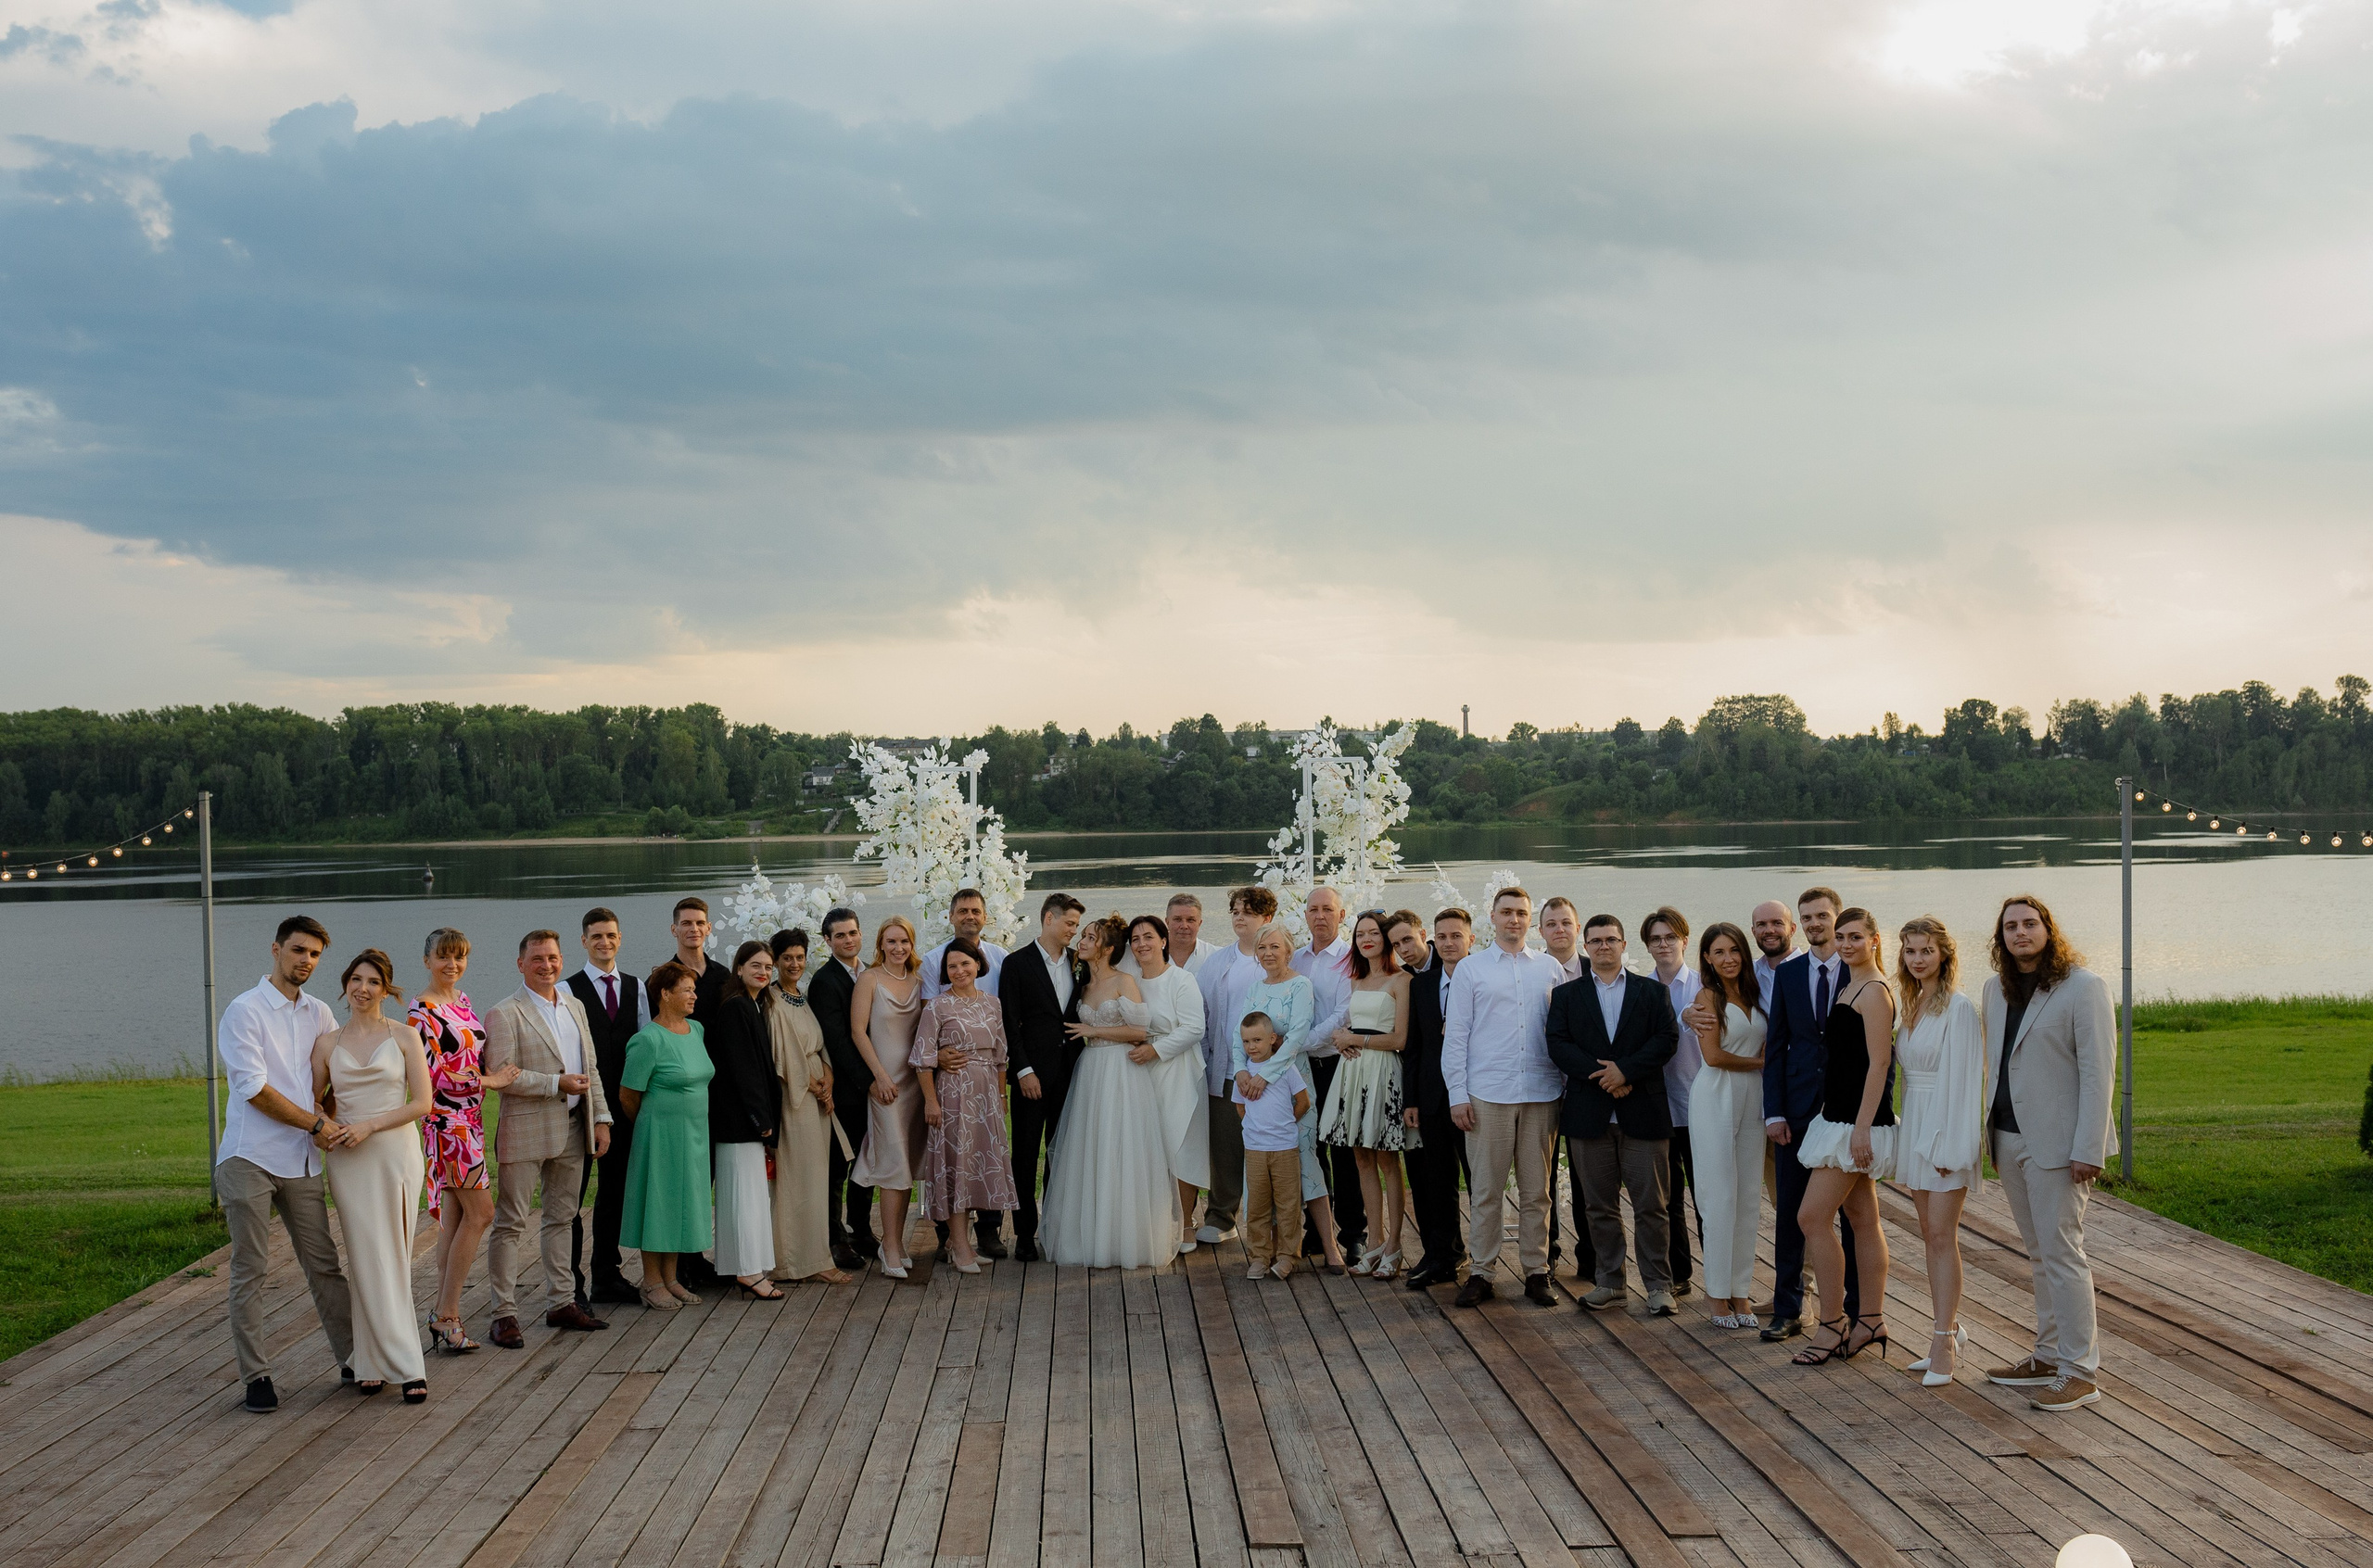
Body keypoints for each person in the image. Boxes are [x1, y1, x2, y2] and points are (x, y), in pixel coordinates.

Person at [1981, 894, 2116, 1412]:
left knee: (2063, 1254)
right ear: (2001, 937)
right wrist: (1990, 1139)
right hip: (2008, 1138)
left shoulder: (2083, 987)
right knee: (2038, 1253)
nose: (2020, 932)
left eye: (2029, 923)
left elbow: (2098, 1073)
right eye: (2010, 926)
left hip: (2060, 1146)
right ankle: (2047, 1355)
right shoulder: (1995, 990)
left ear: (2048, 929)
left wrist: (2090, 1148)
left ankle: (2080, 1372)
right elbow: (1997, 1065)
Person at [218, 916, 356, 1414]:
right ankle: (256, 1376)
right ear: (276, 950)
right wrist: (316, 1124)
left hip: (300, 1159)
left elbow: (336, 1077)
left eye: (315, 954)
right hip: (248, 1156)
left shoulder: (320, 1013)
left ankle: (354, 1359)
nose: (307, 961)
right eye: (299, 950)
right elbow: (254, 1090)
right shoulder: (244, 1010)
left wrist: (328, 1117)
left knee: (324, 1264)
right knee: (251, 1268)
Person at [483, 929, 615, 1348]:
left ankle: (561, 1302)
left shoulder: (575, 1005)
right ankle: (503, 1314)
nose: (547, 965)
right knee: (510, 1222)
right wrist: (556, 1083)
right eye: (537, 959)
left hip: (574, 1128)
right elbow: (503, 1076)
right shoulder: (504, 1013)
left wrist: (601, 1118)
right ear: (521, 964)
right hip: (524, 1130)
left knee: (562, 1218)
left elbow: (590, 1068)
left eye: (553, 957)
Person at [1546, 915, 1681, 1315]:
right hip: (1589, 1115)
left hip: (1643, 1113)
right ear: (1586, 946)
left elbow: (1666, 1039)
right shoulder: (1566, 995)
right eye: (1596, 941)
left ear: (1623, 945)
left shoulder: (1652, 992)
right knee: (1598, 1206)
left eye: (1611, 939)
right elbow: (1558, 1044)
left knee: (1652, 1206)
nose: (1603, 946)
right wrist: (1606, 1077)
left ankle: (1659, 1286)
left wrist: (1626, 1072)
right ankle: (1610, 1282)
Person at [311, 947, 427, 1400]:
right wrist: (325, 1126)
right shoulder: (327, 1044)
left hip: (395, 1153)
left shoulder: (405, 1036)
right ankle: (371, 1361)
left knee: (393, 1255)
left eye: (373, 982)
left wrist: (370, 1126)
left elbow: (422, 1103)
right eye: (356, 980)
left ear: (386, 989)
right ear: (345, 985)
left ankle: (406, 1364)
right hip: (348, 1160)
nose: (363, 988)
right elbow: (313, 1101)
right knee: (363, 1257)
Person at [1445, 888, 1565, 1309]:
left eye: (1521, 913)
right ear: (1492, 917)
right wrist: (1457, 1094)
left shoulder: (1550, 968)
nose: (1514, 919)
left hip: (1541, 1093)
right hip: (1487, 1095)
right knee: (1486, 1191)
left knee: (1537, 1192)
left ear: (1530, 921)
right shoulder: (1471, 969)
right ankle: (1482, 1272)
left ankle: (1536, 1271)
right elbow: (1456, 1036)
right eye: (1506, 912)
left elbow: (1562, 1031)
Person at [1790, 906, 1897, 1367]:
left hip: (1856, 1124)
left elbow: (1880, 1064)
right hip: (1837, 1118)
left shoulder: (1874, 992)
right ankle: (1870, 1320)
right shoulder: (1850, 985)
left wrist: (1862, 1129)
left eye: (1856, 936)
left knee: (1812, 1218)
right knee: (1863, 1220)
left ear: (1875, 939)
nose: (1847, 944)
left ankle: (1833, 1323)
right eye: (1841, 937)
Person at [1042, 915, 1179, 1267]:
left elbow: (1139, 1032)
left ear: (1106, 948)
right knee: (1092, 1145)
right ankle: (1090, 1236)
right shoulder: (1084, 985)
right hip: (1090, 1071)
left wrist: (1094, 1030)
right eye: (1084, 935)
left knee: (1121, 1146)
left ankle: (1125, 1238)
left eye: (1091, 937)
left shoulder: (1124, 981)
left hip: (1121, 1071)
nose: (1082, 941)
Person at [1754, 887, 1859, 1343]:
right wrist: (1773, 1111)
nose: (1816, 923)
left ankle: (1857, 1312)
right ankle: (1789, 1309)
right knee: (1792, 1215)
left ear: (1837, 919)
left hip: (1846, 1111)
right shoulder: (1790, 974)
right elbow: (1776, 1046)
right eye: (1808, 917)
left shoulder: (1860, 970)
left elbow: (1880, 1051)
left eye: (1822, 915)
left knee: (1854, 1217)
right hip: (1795, 1112)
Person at [413, 927, 519, 1355]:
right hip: (446, 1123)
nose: (452, 964)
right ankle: (446, 1314)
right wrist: (492, 1081)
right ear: (427, 961)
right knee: (482, 1213)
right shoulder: (421, 1012)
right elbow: (432, 1075)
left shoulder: (462, 1001)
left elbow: (471, 1052)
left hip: (469, 1120)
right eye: (443, 956)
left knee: (456, 1217)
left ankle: (444, 1313)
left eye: (459, 957)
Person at [1892, 916, 1985, 1387]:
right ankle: (1948, 1325)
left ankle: (1944, 1341)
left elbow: (1967, 1083)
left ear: (1944, 954)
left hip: (1945, 1131)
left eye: (1926, 950)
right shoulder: (1911, 1003)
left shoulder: (1960, 1008)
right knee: (1929, 1235)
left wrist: (1954, 1146)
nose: (1918, 959)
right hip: (1916, 1124)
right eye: (1910, 951)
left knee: (1942, 1236)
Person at [1232, 919, 1345, 1272]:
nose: (1268, 953)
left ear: (1288, 951)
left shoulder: (1300, 985)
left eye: (1275, 947)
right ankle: (1272, 1250)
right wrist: (1241, 1071)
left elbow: (1296, 1036)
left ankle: (1330, 1248)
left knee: (1306, 1162)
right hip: (1254, 1086)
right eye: (1262, 948)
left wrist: (1265, 1076)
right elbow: (1239, 1034)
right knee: (1263, 1168)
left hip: (1293, 1081)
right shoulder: (1254, 989)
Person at [912, 939, 1020, 1272]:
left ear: (978, 965)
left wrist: (1001, 1098)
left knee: (975, 1168)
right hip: (953, 1094)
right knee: (956, 1167)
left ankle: (963, 1244)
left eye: (965, 964)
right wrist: (931, 1102)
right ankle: (959, 1247)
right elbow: (922, 1059)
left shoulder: (993, 1003)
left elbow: (1001, 1057)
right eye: (952, 967)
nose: (959, 971)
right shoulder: (937, 1007)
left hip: (986, 1096)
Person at [1318, 911, 1415, 1278]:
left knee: (1388, 1160)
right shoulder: (1356, 980)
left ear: (1386, 938)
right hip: (1354, 1073)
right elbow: (1348, 1026)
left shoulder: (1402, 980)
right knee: (1361, 1158)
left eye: (1374, 933)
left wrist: (1355, 1039)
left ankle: (1395, 1245)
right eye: (1360, 935)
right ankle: (1374, 1241)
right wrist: (1341, 1040)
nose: (1367, 939)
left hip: (1383, 1072)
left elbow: (1400, 1038)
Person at [620, 960, 716, 1309]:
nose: (694, 996)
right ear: (665, 994)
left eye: (694, 989)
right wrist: (654, 1124)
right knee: (658, 1204)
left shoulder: (697, 1030)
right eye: (686, 990)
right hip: (659, 1135)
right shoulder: (647, 1039)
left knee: (682, 1202)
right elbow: (628, 1095)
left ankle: (671, 1278)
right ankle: (652, 1282)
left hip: (694, 1134)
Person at [1685, 923, 1767, 1330]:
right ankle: (1716, 1295)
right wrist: (1762, 1063)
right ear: (1707, 958)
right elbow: (1714, 1056)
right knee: (1719, 1196)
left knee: (1748, 1197)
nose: (1728, 958)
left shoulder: (1755, 994)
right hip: (1716, 1093)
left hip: (1754, 1097)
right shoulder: (1707, 997)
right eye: (1718, 952)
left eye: (1734, 950)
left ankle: (1740, 1292)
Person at [765, 928, 855, 1285]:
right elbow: (782, 1056)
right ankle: (793, 1262)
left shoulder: (801, 997)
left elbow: (820, 1044)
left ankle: (816, 1256)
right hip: (796, 1101)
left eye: (800, 957)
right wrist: (815, 1086)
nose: (794, 964)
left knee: (817, 1179)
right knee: (797, 1180)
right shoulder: (773, 1002)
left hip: (818, 1100)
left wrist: (828, 1076)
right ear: (775, 961)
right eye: (787, 958)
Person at [1001, 892, 1087, 1262]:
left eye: (1077, 925)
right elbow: (1009, 1022)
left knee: (1061, 1153)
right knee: (1024, 1155)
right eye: (1069, 923)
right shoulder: (1016, 963)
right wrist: (1023, 1070)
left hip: (1071, 1073)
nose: (1074, 931)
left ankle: (1054, 1227)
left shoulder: (1080, 963)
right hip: (1031, 1077)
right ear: (1048, 919)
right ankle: (1024, 1233)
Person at [567, 907, 643, 1306]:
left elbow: (644, 1044)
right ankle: (571, 1285)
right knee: (572, 1198)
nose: (604, 942)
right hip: (580, 1109)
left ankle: (607, 1275)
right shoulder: (566, 989)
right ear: (584, 941)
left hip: (624, 1108)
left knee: (614, 1193)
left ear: (620, 939)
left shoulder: (636, 987)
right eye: (596, 936)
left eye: (611, 935)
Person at [1192, 886, 1276, 1246]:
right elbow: (1201, 1015)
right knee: (1225, 1149)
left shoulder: (1278, 959)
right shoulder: (1217, 962)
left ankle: (1273, 1220)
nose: (1240, 918)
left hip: (1271, 1074)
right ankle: (1221, 1216)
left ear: (1267, 918)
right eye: (1235, 912)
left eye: (1248, 912)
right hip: (1226, 1072)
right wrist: (1206, 1064)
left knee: (1271, 1149)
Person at [1125, 913, 1212, 1255]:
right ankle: (1153, 1223)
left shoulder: (1181, 979)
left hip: (1178, 1071)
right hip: (1139, 1074)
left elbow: (1194, 1028)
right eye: (1135, 939)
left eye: (1148, 937)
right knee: (1148, 1149)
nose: (1142, 944)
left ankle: (1186, 1223)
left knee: (1182, 1148)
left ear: (1163, 941)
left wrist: (1156, 1050)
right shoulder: (1130, 980)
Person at [1397, 908, 1471, 1290]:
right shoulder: (1421, 985)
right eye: (1442, 937)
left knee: (1480, 1181)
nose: (1448, 943)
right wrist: (1411, 1099)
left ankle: (1485, 1261)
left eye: (1456, 936)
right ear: (1433, 939)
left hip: (1475, 1096)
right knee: (1437, 1181)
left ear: (1470, 938)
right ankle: (1444, 1256)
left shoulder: (1482, 978)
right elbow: (1414, 1046)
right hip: (1431, 1097)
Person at [850, 917, 928, 1278]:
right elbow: (858, 1032)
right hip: (886, 1087)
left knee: (906, 1166)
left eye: (904, 941)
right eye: (891, 941)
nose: (898, 948)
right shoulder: (869, 979)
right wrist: (878, 1076)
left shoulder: (920, 981)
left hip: (914, 1086)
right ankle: (891, 1246)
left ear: (912, 944)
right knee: (893, 1165)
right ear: (881, 943)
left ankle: (893, 1242)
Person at [1293, 888, 1366, 1262]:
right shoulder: (1295, 958)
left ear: (1341, 915)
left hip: (1338, 1063)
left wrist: (1298, 1041)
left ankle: (1353, 1232)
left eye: (1328, 909)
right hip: (1301, 1069)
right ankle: (1316, 1232)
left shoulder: (1351, 959)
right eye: (1313, 910)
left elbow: (1343, 1014)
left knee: (1344, 1150)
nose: (1320, 916)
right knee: (1310, 1149)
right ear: (1305, 915)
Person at [711, 942, 784, 1297]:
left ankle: (745, 1268)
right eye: (756, 965)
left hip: (743, 1122)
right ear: (738, 968)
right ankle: (748, 1272)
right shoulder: (736, 1007)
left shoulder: (752, 1005)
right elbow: (744, 1070)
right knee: (745, 1197)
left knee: (746, 1195)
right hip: (740, 1122)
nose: (763, 972)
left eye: (768, 967)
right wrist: (761, 1119)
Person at [809, 907, 877, 1270]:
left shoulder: (872, 973)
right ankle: (835, 1239)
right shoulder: (825, 981)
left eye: (853, 933)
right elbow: (836, 1040)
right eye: (840, 935)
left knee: (868, 1161)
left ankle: (861, 1229)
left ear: (861, 934)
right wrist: (868, 1081)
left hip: (877, 1085)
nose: (848, 940)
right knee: (838, 1165)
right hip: (848, 1090)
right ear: (828, 941)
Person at [1642, 907, 1702, 1299]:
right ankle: (1679, 1273)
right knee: (1667, 1198)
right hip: (1658, 1107)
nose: (1663, 944)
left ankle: (1720, 1275)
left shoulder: (1704, 986)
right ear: (1647, 946)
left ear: (1684, 940)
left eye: (1670, 937)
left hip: (1699, 1106)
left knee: (1707, 1196)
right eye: (1655, 939)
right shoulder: (1640, 990)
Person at [1234, 1014, 1311, 1281]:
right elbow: (1240, 1107)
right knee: (1257, 1205)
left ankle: (1288, 1256)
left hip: (1284, 1148)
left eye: (1257, 1040)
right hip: (1255, 1149)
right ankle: (1259, 1257)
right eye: (1246, 1041)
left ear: (1272, 1039)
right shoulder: (1243, 1074)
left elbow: (1303, 1101)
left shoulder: (1285, 1068)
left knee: (1288, 1205)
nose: (1252, 1046)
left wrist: (1285, 1124)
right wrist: (1256, 1129)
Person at [1537, 898, 1591, 1284]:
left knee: (1589, 1176)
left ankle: (1591, 1256)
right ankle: (1548, 1253)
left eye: (1566, 923)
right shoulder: (1532, 971)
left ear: (1577, 928)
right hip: (1545, 1085)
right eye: (1551, 924)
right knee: (1544, 1178)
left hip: (1588, 1087)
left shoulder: (1596, 969)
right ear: (1541, 931)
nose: (1559, 929)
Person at [920, 888, 1010, 1001]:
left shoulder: (1001, 957)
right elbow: (929, 1007)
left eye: (976, 911)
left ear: (985, 918)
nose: (970, 917)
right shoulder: (932, 960)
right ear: (951, 917)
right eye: (963, 911)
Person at [1122, 892, 1223, 979]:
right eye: (1177, 919)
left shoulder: (1216, 956)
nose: (1184, 926)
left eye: (1190, 920)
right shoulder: (1142, 953)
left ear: (1199, 923)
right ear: (1167, 921)